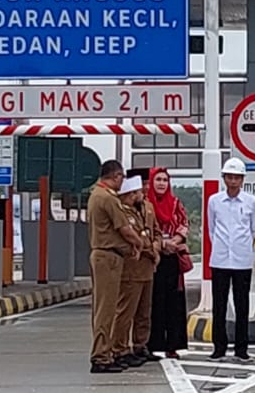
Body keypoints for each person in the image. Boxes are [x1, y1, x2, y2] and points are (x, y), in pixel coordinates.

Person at [87, 160, 143, 374]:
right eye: (122, 177)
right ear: (116, 176)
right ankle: (101, 356)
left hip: (107, 256)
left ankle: (106, 352)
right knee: (106, 309)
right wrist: (137, 243)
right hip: (108, 257)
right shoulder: (107, 198)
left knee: (107, 308)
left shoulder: (97, 195)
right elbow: (125, 229)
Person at [206, 157, 255, 361]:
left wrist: (241, 246)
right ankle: (219, 347)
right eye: (230, 177)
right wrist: (222, 246)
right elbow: (211, 229)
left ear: (243, 179)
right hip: (219, 260)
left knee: (242, 305)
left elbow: (254, 230)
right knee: (218, 305)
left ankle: (241, 348)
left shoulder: (251, 201)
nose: (233, 181)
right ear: (224, 178)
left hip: (242, 260)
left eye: (237, 177)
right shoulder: (214, 201)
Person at [145, 168, 190, 359]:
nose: (162, 183)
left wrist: (175, 242)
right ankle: (150, 345)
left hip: (172, 259)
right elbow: (142, 228)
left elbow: (185, 224)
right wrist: (160, 244)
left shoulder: (175, 203)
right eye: (158, 180)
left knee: (173, 303)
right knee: (153, 302)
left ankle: (172, 346)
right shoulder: (145, 204)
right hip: (152, 258)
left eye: (165, 180)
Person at [113, 175, 156, 369]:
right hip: (132, 267)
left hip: (147, 267)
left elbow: (155, 231)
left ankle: (140, 345)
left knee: (143, 312)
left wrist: (157, 247)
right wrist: (150, 250)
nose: (142, 194)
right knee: (126, 312)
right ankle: (120, 348)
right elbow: (134, 237)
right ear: (130, 194)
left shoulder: (145, 209)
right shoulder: (123, 211)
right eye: (138, 191)